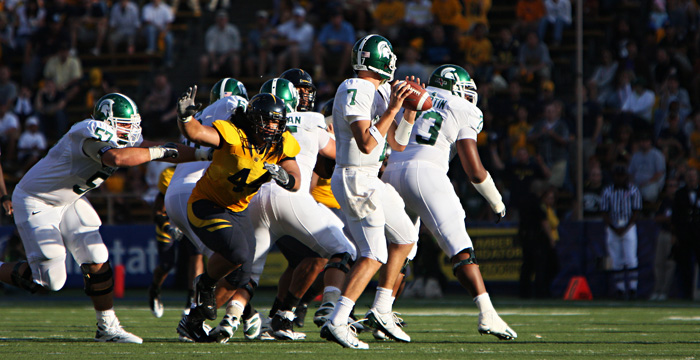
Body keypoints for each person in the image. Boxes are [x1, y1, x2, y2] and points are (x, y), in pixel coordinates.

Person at [0, 93, 194, 343]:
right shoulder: (88, 132)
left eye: (132, 124)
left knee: (97, 256)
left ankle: (107, 327)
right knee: (51, 280)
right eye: (125, 125)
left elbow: (162, 149)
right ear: (107, 121)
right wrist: (160, 151)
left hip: (68, 200)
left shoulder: (120, 136)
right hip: (36, 199)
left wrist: (205, 155)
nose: (130, 131)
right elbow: (116, 158)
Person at [383, 64, 516, 339]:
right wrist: (497, 202)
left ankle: (382, 311)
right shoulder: (462, 108)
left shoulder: (416, 93)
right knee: (461, 248)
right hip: (427, 173)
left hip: (391, 172)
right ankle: (487, 314)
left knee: (401, 250)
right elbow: (474, 169)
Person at [175, 88, 302, 343]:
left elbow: (296, 179)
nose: (272, 126)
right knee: (238, 254)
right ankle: (207, 283)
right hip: (207, 204)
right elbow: (196, 132)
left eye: (277, 121)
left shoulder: (282, 143)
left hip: (238, 210)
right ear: (254, 118)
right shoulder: (233, 133)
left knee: (241, 276)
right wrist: (185, 118)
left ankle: (193, 320)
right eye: (267, 119)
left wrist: (285, 178)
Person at [320, 34, 419, 350]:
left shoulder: (379, 90)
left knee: (405, 237)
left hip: (370, 178)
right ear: (379, 60)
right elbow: (366, 142)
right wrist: (392, 108)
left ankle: (381, 308)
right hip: (354, 177)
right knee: (373, 254)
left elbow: (398, 143)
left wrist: (409, 112)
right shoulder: (354, 87)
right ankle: (338, 319)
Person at [245, 77, 356, 342]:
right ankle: (324, 308)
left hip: (254, 199)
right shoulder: (312, 120)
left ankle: (235, 316)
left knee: (251, 269)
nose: (305, 95)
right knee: (331, 253)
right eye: (300, 90)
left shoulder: (253, 123)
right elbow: (337, 156)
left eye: (308, 90)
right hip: (296, 200)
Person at [164, 78, 264, 342]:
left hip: (176, 190)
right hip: (202, 190)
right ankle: (199, 319)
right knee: (233, 265)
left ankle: (238, 312)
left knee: (232, 263)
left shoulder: (200, 115)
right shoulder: (234, 105)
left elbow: (190, 133)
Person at [148, 165, 204, 318]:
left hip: (192, 220)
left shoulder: (203, 170)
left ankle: (191, 300)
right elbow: (158, 210)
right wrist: (167, 228)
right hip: (171, 221)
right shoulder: (168, 174)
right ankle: (155, 290)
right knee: (167, 264)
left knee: (196, 257)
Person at [600, 164, 642, 299]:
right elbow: (604, 212)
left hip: (628, 227)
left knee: (631, 259)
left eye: (622, 175)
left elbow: (636, 211)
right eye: (617, 176)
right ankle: (620, 289)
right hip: (613, 227)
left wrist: (626, 227)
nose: (619, 178)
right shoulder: (608, 191)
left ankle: (633, 288)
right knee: (616, 259)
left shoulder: (633, 190)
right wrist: (613, 227)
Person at [671, 168, 700, 299]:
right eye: (689, 177)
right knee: (685, 266)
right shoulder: (679, 194)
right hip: (684, 235)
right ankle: (687, 293)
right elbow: (675, 216)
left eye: (693, 177)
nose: (691, 179)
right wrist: (675, 234)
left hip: (698, 234)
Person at [650, 178, 677, 301]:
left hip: (673, 234)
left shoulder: (679, 201)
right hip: (663, 233)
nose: (672, 188)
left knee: (670, 264)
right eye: (670, 186)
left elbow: (678, 220)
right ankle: (658, 289)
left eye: (674, 186)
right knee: (658, 263)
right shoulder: (664, 202)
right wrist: (668, 218)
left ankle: (664, 291)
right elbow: (657, 218)